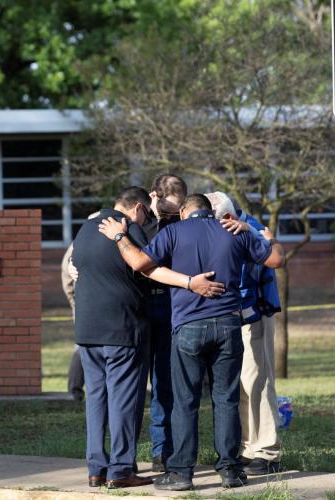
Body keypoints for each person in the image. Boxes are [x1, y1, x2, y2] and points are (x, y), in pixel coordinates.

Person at [97, 193, 285, 491]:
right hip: (229, 325)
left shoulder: (173, 231)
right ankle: (230, 470)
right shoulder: (233, 230)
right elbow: (276, 260)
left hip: (188, 328)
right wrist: (268, 237)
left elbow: (139, 262)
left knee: (185, 401)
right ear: (211, 211)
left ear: (184, 211)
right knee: (227, 399)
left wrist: (119, 236)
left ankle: (182, 473)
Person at [73, 187, 225, 489]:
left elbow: (78, 267)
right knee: (123, 400)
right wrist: (189, 282)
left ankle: (96, 468)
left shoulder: (85, 229)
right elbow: (149, 267)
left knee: (96, 399)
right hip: (122, 328)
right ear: (139, 208)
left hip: (87, 329)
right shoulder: (129, 229)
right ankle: (120, 470)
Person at [205, 192, 282, 476]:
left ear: (227, 217)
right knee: (238, 385)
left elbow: (273, 258)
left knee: (257, 382)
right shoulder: (229, 226)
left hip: (253, 315)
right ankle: (248, 448)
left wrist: (251, 232)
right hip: (229, 317)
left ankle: (266, 452)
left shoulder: (250, 228)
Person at [143, 174, 187, 472]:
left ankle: (163, 450)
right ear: (154, 198)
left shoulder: (183, 225)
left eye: (177, 211)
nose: (172, 216)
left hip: (172, 305)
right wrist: (154, 219)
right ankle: (123, 455)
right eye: (167, 210)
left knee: (165, 381)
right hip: (141, 307)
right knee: (134, 383)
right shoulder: (138, 224)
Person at [61, 243, 85, 401]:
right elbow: (67, 274)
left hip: (83, 301)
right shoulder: (79, 243)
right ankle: (74, 390)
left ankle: (74, 390)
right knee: (81, 346)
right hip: (82, 302)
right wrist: (73, 301)